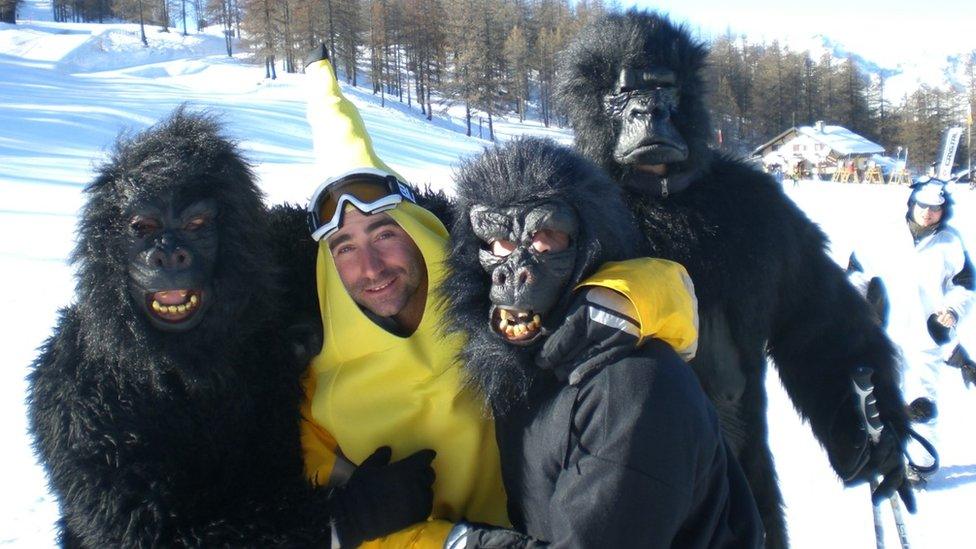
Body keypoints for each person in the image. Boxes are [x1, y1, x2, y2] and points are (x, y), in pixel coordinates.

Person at [298, 48, 701, 547]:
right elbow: (272, 504)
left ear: (421, 232)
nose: (371, 268)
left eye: (384, 234)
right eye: (345, 247)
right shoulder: (312, 389)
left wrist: (621, 299)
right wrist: (343, 522)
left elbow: (659, 294)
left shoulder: (494, 313)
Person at [440, 137, 764, 548]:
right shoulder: (531, 360)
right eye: (498, 242)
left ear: (591, 244)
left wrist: (450, 542)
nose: (514, 268)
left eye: (543, 237)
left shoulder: (628, 388)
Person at [851, 179, 974, 485]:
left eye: (935, 208)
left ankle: (920, 464)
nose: (928, 213)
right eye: (923, 206)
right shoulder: (884, 234)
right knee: (876, 399)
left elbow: (965, 286)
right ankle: (876, 456)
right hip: (883, 334)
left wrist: (953, 310)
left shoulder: (950, 242)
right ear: (912, 204)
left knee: (921, 403)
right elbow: (855, 275)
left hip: (925, 338)